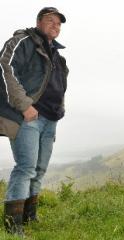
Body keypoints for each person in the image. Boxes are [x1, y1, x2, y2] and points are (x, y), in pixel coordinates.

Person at [0, 7, 68, 236]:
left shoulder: (57, 55)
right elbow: (4, 68)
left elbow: (59, 86)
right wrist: (25, 106)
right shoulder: (23, 41)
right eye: (50, 21)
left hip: (50, 119)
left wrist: (60, 109)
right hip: (28, 117)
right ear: (39, 22)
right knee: (26, 168)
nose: (55, 26)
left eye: (59, 24)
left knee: (38, 170)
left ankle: (29, 217)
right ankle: (12, 225)